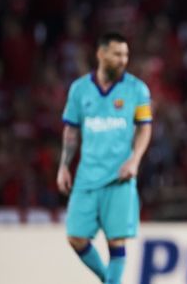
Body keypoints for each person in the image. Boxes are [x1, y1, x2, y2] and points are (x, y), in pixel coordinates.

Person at [57, 32, 153, 284]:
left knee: (116, 241)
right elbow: (71, 130)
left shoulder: (137, 89)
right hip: (87, 177)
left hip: (118, 178)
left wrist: (135, 160)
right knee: (75, 237)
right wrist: (63, 166)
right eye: (117, 54)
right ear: (101, 54)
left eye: (126, 55)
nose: (123, 60)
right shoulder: (79, 90)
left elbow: (145, 127)